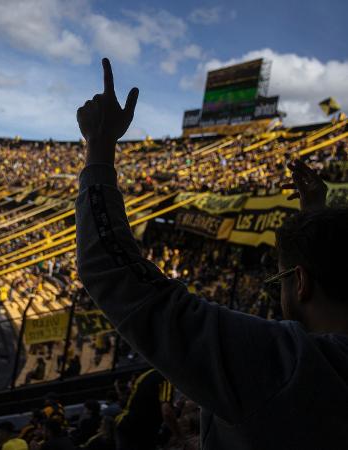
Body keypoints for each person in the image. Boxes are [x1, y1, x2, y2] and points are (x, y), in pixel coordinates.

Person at [75, 58, 348, 449]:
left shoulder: (283, 367)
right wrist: (318, 225)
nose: (278, 289)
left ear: (302, 282)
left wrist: (98, 148)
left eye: (281, 278)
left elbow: (110, 269)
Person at [113, 369, 180, 450]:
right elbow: (166, 412)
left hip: (126, 423)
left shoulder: (147, 374)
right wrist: (179, 436)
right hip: (139, 429)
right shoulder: (166, 378)